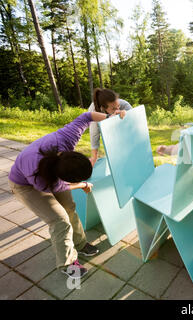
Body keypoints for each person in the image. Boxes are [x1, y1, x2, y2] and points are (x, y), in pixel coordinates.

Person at [8, 109, 127, 280]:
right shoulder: (38, 174)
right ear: (64, 177)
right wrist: (82, 185)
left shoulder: (66, 138)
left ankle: (80, 244)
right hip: (25, 186)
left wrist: (110, 117)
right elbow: (57, 187)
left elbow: (87, 116)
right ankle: (68, 263)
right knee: (60, 220)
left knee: (70, 207)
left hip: (49, 176)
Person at [88, 88, 132, 166]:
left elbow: (134, 124)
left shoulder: (124, 104)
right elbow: (94, 134)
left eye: (118, 106)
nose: (117, 109)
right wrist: (94, 157)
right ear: (103, 108)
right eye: (113, 109)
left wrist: (126, 114)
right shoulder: (94, 111)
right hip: (106, 127)